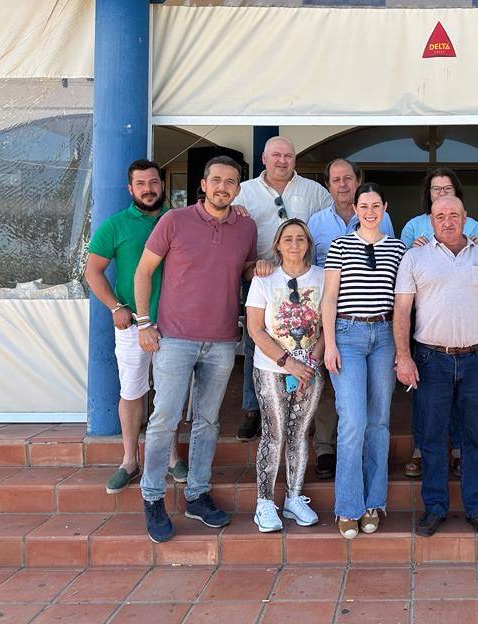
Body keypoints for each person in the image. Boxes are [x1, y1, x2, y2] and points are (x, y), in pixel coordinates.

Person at [134, 156, 258, 543]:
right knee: (164, 418)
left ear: (238, 188)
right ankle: (153, 496)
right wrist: (143, 323)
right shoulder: (174, 221)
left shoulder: (246, 226)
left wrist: (264, 267)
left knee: (208, 421)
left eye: (231, 181)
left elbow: (244, 271)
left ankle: (197, 495)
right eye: (216, 179)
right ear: (203, 184)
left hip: (222, 340)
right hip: (174, 338)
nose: (223, 186)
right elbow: (143, 272)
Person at [394, 195, 478, 539]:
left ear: (465, 218)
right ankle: (435, 507)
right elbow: (401, 311)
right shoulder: (414, 257)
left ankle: (477, 509)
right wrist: (404, 356)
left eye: (454, 215)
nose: (447, 221)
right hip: (431, 359)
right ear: (431, 221)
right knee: (432, 438)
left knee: (474, 438)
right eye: (440, 216)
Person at [85, 159, 186, 494]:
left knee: (169, 394)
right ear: (131, 189)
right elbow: (92, 272)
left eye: (154, 182)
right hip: (132, 325)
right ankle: (129, 460)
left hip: (176, 325)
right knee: (132, 391)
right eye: (141, 184)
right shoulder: (115, 225)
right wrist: (115, 306)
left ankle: (171, 458)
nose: (148, 189)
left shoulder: (180, 221)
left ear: (163, 185)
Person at [232, 136, 330, 451]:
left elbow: (331, 222)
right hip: (262, 277)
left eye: (288, 155)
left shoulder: (314, 192)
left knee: (306, 340)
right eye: (276, 155)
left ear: (294, 159)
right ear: (264, 158)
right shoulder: (244, 192)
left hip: (304, 279)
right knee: (256, 341)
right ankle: (254, 409)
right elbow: (229, 227)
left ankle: (302, 404)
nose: (282, 161)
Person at [320, 183, 406, 539]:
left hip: (385, 336)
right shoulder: (340, 246)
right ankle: (348, 507)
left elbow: (403, 303)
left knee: (379, 421)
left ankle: (374, 502)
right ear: (355, 208)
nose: (370, 211)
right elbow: (329, 298)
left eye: (376, 205)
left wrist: (403, 350)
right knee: (352, 420)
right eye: (364, 205)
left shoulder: (399, 248)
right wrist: (329, 344)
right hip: (348, 335)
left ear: (385, 207)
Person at [306, 158, 394, 481]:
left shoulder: (386, 225)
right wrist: (325, 335)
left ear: (357, 181)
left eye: (347, 178)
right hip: (332, 318)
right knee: (333, 392)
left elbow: (390, 271)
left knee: (370, 403)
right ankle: (326, 449)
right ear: (328, 184)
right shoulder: (316, 222)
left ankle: (367, 471)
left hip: (379, 326)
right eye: (335, 179)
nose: (342, 184)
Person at [399, 167, 478, 478]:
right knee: (426, 399)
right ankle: (420, 449)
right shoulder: (412, 225)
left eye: (448, 188)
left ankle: (458, 450)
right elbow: (401, 264)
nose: (442, 193)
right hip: (426, 322)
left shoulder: (470, 224)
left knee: (462, 400)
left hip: (464, 326)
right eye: (436, 189)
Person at [245, 218, 326, 532]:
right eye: (288, 239)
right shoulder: (264, 279)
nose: (294, 244)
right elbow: (255, 328)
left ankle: (294, 497)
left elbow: (328, 322)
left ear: (308, 244)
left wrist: (310, 360)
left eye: (300, 239)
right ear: (277, 244)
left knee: (299, 433)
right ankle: (264, 503)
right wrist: (287, 362)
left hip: (310, 369)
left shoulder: (323, 277)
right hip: (271, 369)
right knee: (274, 433)